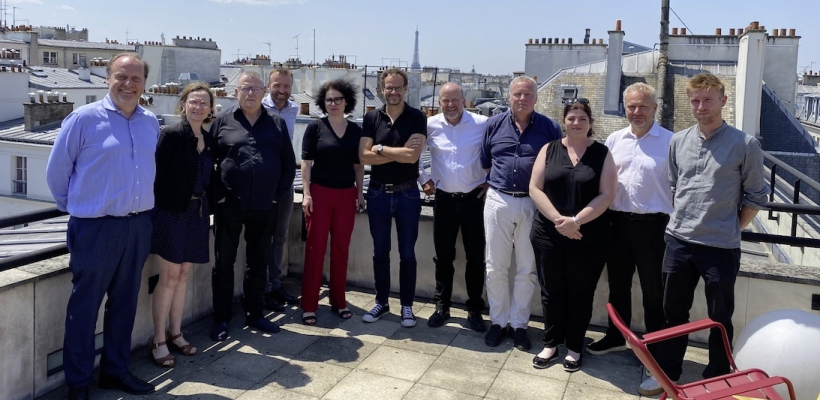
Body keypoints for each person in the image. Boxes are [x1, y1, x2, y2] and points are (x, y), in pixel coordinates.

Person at [639, 73, 767, 395]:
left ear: (723, 101)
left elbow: (755, 197)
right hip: (678, 242)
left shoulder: (744, 144)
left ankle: (717, 377)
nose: (700, 106)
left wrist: (729, 227)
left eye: (708, 99)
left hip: (720, 248)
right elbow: (674, 186)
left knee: (720, 318)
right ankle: (667, 373)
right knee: (672, 314)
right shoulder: (678, 141)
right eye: (695, 100)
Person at [46, 52, 159, 400]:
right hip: (95, 229)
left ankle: (114, 372)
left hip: (138, 226)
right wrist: (84, 210)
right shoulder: (83, 119)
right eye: (121, 76)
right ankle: (78, 385)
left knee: (124, 305)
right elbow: (56, 176)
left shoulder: (150, 121)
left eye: (135, 78)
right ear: (107, 78)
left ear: (145, 83)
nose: (128, 84)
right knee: (84, 308)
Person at [529, 98, 616, 372]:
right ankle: (551, 343)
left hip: (588, 236)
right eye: (571, 118)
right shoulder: (549, 148)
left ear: (590, 123)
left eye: (582, 118)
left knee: (581, 293)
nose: (576, 123)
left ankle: (575, 347)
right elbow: (535, 188)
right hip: (549, 233)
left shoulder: (602, 153)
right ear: (563, 121)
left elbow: (607, 194)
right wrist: (560, 220)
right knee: (551, 290)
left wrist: (576, 221)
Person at [587, 83, 673, 357]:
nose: (637, 112)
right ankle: (616, 336)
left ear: (655, 108)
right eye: (631, 106)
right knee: (618, 285)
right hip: (618, 224)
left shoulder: (671, 142)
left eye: (643, 106)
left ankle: (655, 346)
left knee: (653, 290)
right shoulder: (614, 139)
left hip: (654, 226)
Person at [209, 71, 296, 341]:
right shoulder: (222, 122)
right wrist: (219, 196)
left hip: (264, 206)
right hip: (229, 205)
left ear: (264, 92)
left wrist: (274, 197)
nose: (250, 93)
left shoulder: (277, 123)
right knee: (224, 263)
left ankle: (255, 314)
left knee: (258, 263)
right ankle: (222, 317)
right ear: (236, 92)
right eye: (245, 88)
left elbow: (287, 165)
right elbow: (208, 163)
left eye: (255, 88)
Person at [481, 76, 562, 350]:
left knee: (527, 268)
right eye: (517, 94)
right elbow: (485, 161)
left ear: (536, 98)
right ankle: (498, 322)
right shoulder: (493, 125)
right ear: (509, 97)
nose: (522, 99)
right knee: (495, 266)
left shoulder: (550, 128)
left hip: (532, 203)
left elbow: (557, 166)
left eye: (527, 94)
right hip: (498, 200)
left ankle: (519, 325)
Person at [149, 82, 218, 368]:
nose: (198, 107)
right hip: (171, 211)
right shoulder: (172, 135)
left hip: (197, 212)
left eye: (204, 103)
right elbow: (156, 176)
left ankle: (176, 332)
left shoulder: (209, 138)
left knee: (184, 273)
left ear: (211, 109)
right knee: (169, 276)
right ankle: (158, 340)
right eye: (193, 102)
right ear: (183, 105)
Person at [358, 68, 427, 327]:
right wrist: (397, 151)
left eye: (398, 87)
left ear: (406, 89)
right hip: (376, 192)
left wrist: (379, 147)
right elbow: (363, 157)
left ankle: (407, 306)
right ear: (382, 89)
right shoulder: (371, 118)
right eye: (389, 87)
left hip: (407, 193)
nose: (394, 92)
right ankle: (381, 302)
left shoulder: (417, 117)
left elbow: (412, 157)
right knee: (380, 252)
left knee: (407, 254)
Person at [418, 82, 489, 331]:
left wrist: (490, 181)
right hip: (444, 200)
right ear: (439, 102)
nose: (450, 105)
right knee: (443, 258)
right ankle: (442, 306)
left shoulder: (482, 124)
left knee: (476, 258)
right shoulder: (430, 125)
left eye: (455, 100)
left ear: (464, 100)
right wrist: (423, 178)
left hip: (474, 200)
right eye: (445, 101)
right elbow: (414, 154)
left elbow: (497, 153)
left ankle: (474, 310)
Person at [300, 79, 365, 325]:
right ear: (323, 103)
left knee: (341, 249)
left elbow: (359, 165)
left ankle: (339, 301)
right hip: (320, 194)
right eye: (329, 99)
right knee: (315, 249)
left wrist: (359, 193)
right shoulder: (315, 128)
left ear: (346, 101)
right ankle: (308, 305)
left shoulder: (356, 131)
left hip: (346, 195)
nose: (333, 103)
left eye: (338, 99)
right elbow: (306, 163)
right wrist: (307, 194)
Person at [261, 67, 300, 311]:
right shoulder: (258, 106)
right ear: (268, 85)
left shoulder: (294, 109)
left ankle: (275, 285)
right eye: (277, 86)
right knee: (262, 238)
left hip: (285, 182)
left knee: (280, 237)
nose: (282, 91)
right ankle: (262, 289)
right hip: (263, 183)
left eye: (286, 86)